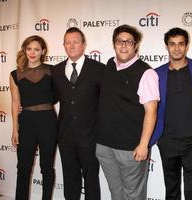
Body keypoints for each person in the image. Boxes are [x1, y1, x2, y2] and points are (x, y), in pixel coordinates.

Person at [95, 24, 159, 200]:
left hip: (130, 148)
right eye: (119, 41)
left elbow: (151, 111)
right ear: (113, 44)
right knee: (116, 192)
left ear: (136, 45)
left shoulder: (146, 73)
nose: (123, 45)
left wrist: (143, 144)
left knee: (133, 195)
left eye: (128, 42)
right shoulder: (109, 65)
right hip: (104, 145)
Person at [150, 27, 192, 200]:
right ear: (166, 46)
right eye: (172, 44)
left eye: (181, 44)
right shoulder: (156, 74)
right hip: (168, 141)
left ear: (187, 46)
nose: (177, 48)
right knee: (171, 191)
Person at [53, 27, 105, 200]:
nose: (71, 45)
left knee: (91, 180)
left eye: (75, 42)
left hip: (90, 136)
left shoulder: (99, 69)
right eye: (67, 42)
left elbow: (107, 101)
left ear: (83, 45)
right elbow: (49, 98)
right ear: (63, 46)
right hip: (65, 136)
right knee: (70, 179)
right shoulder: (56, 70)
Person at [10, 35, 57, 200]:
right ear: (24, 49)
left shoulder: (52, 71)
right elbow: (15, 102)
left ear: (43, 51)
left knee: (46, 168)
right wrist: (15, 129)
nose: (32, 52)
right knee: (23, 167)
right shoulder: (15, 74)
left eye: (36, 49)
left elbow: (57, 95)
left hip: (48, 122)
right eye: (29, 48)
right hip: (26, 123)